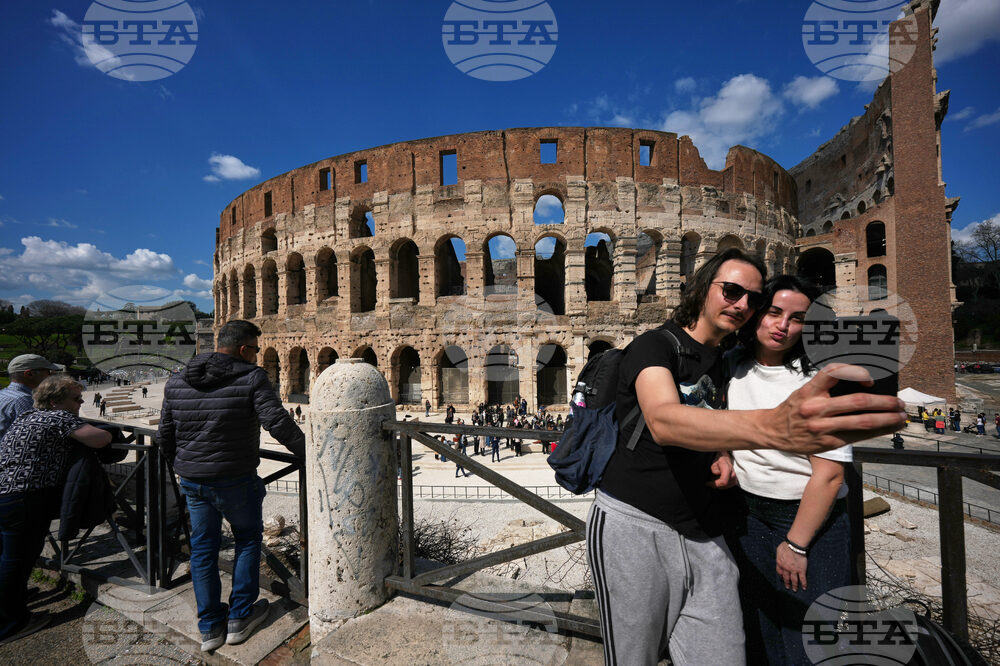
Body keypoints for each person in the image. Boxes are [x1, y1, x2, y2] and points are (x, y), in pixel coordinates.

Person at [586, 249, 905, 666]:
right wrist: (772, 427)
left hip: (709, 527)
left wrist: (723, 450)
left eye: (752, 299)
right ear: (701, 288)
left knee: (737, 652)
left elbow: (713, 411)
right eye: (732, 291)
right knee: (635, 657)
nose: (742, 305)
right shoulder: (653, 346)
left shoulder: (725, 359)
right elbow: (664, 420)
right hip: (637, 521)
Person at [726, 275, 853, 665]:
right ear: (755, 315)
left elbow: (830, 474)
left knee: (808, 642)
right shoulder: (732, 366)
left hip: (810, 523)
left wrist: (796, 545)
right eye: (773, 313)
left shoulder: (821, 380)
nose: (782, 326)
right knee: (758, 633)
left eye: (797, 318)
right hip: (749, 515)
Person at [158, 320, 305, 652]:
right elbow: (277, 421)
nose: (256, 356)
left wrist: (183, 466)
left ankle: (210, 627)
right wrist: (311, 453)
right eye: (255, 349)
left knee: (203, 550)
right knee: (248, 541)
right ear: (243, 349)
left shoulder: (177, 379)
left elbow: (166, 434)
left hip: (193, 480)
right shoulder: (251, 377)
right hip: (236, 478)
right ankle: (240, 617)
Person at [0, 375, 112, 643]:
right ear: (54, 402)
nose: (81, 402)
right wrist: (107, 430)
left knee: (9, 557)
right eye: (75, 398)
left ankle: (11, 608)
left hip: (6, 494)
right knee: (16, 560)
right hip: (25, 498)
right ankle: (10, 624)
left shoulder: (26, 417)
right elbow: (99, 439)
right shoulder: (57, 418)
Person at [0, 355, 60, 443]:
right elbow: (37, 435)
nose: (51, 375)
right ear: (29, 374)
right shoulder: (24, 400)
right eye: (48, 371)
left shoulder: (4, 393)